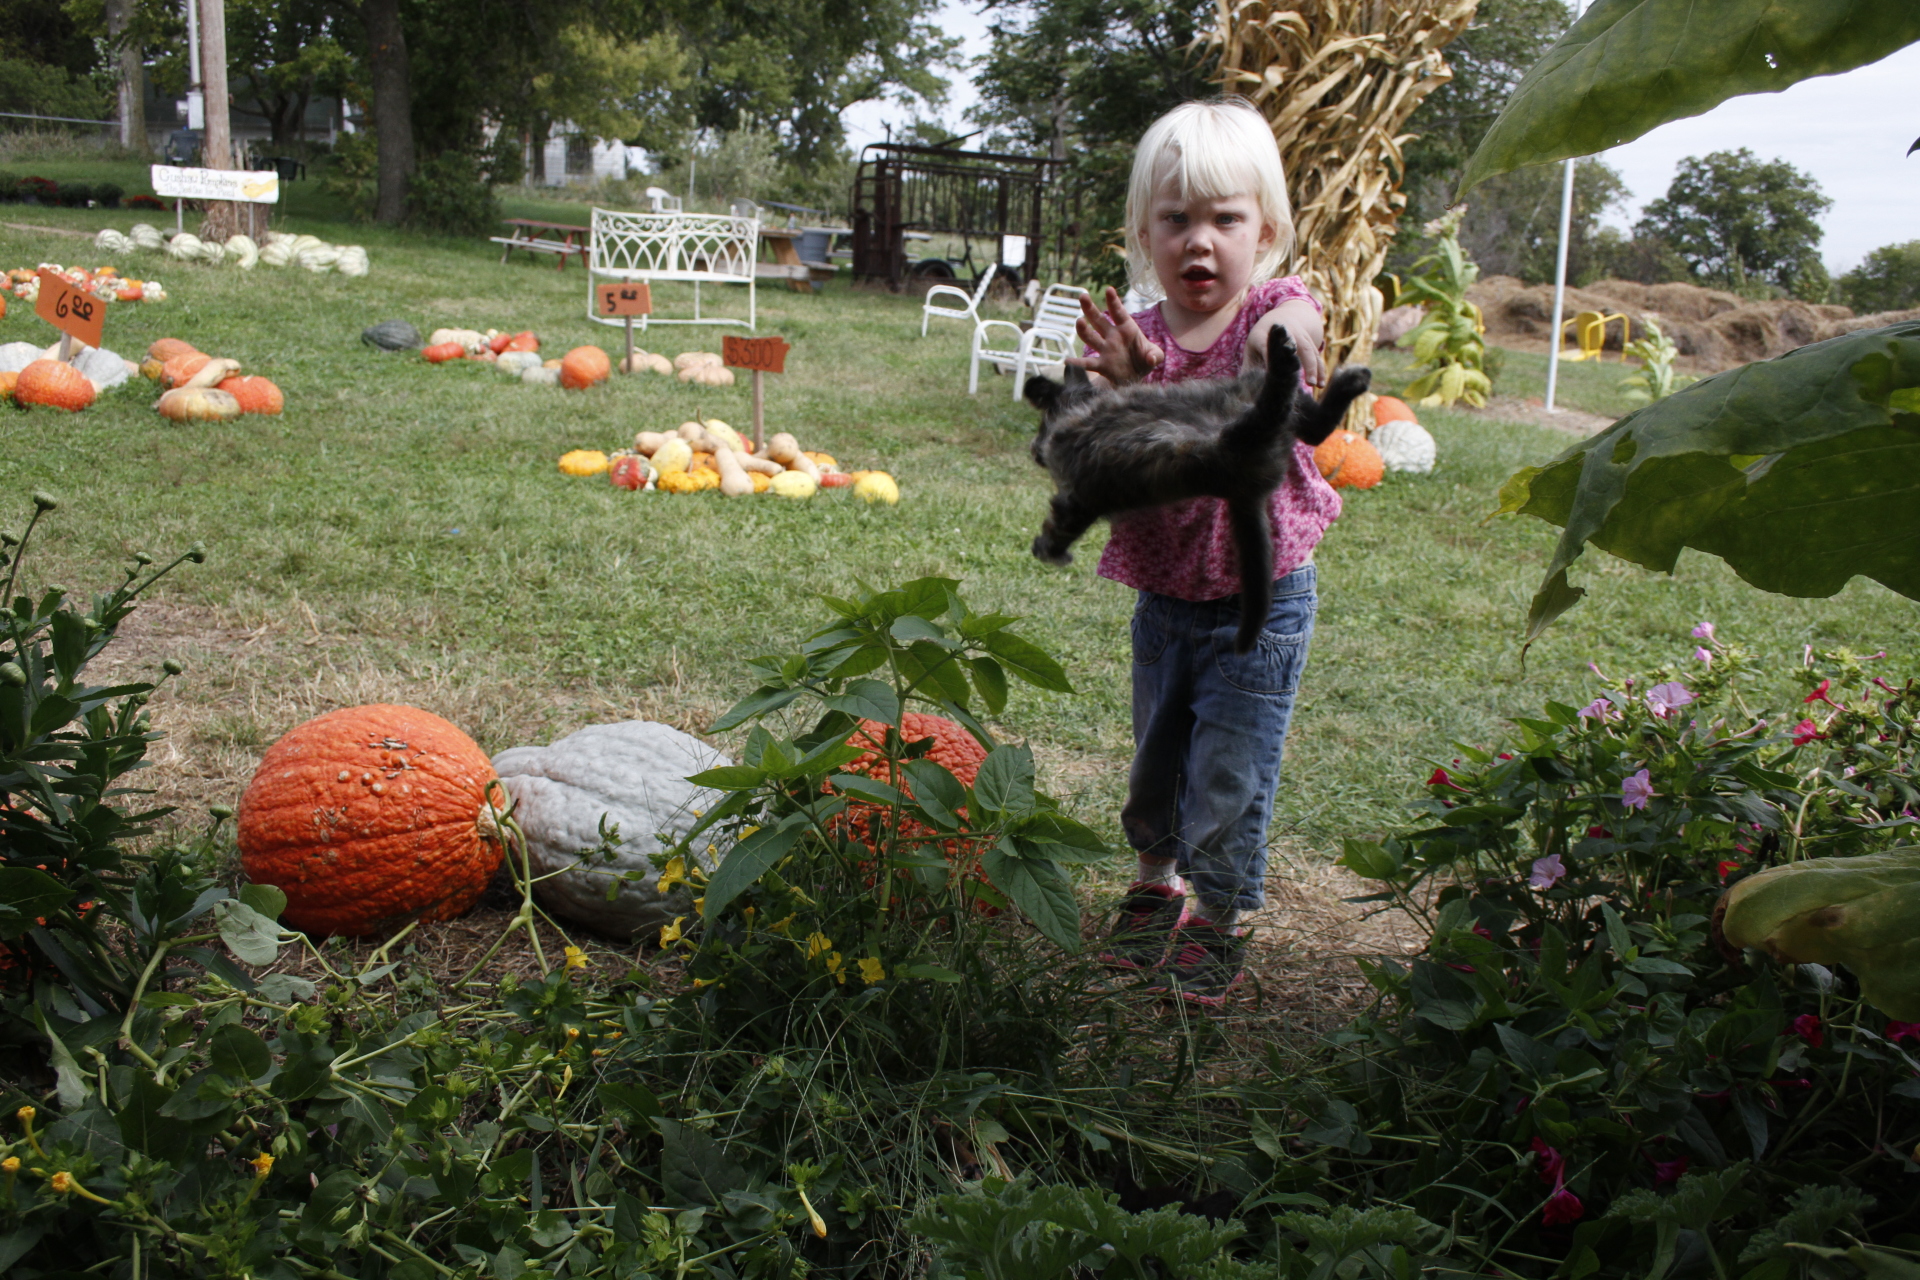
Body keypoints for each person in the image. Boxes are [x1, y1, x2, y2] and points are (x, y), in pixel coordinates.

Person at [1069, 97, 1336, 1007]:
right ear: (1144, 232)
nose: (1200, 241)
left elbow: (1293, 333)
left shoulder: (1270, 309)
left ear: (1267, 229)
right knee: (1157, 756)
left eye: (1226, 219)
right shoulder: (1135, 339)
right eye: (1176, 219)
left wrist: (1282, 346)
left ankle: (1214, 921)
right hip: (1166, 595)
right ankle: (1156, 884)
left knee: (1230, 765)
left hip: (1261, 605)